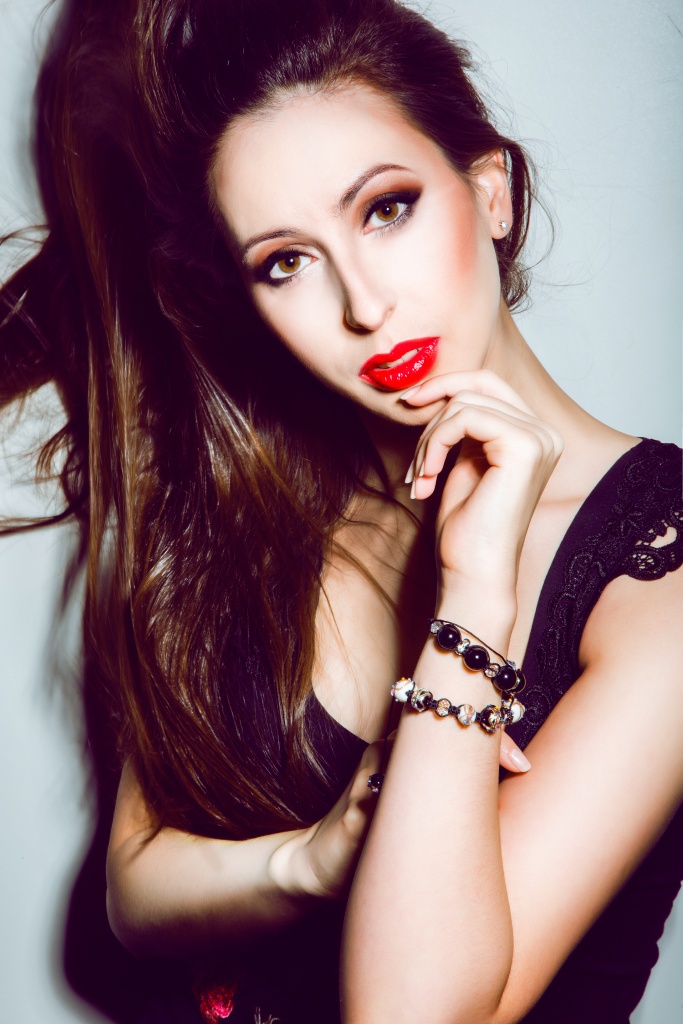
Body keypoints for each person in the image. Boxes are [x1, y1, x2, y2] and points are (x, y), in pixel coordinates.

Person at [1, 1, 681, 1022]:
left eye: (385, 209)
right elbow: (135, 889)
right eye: (287, 261)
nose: (362, 306)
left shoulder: (659, 573)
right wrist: (312, 860)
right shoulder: (265, 501)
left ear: (489, 190)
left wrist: (474, 595)